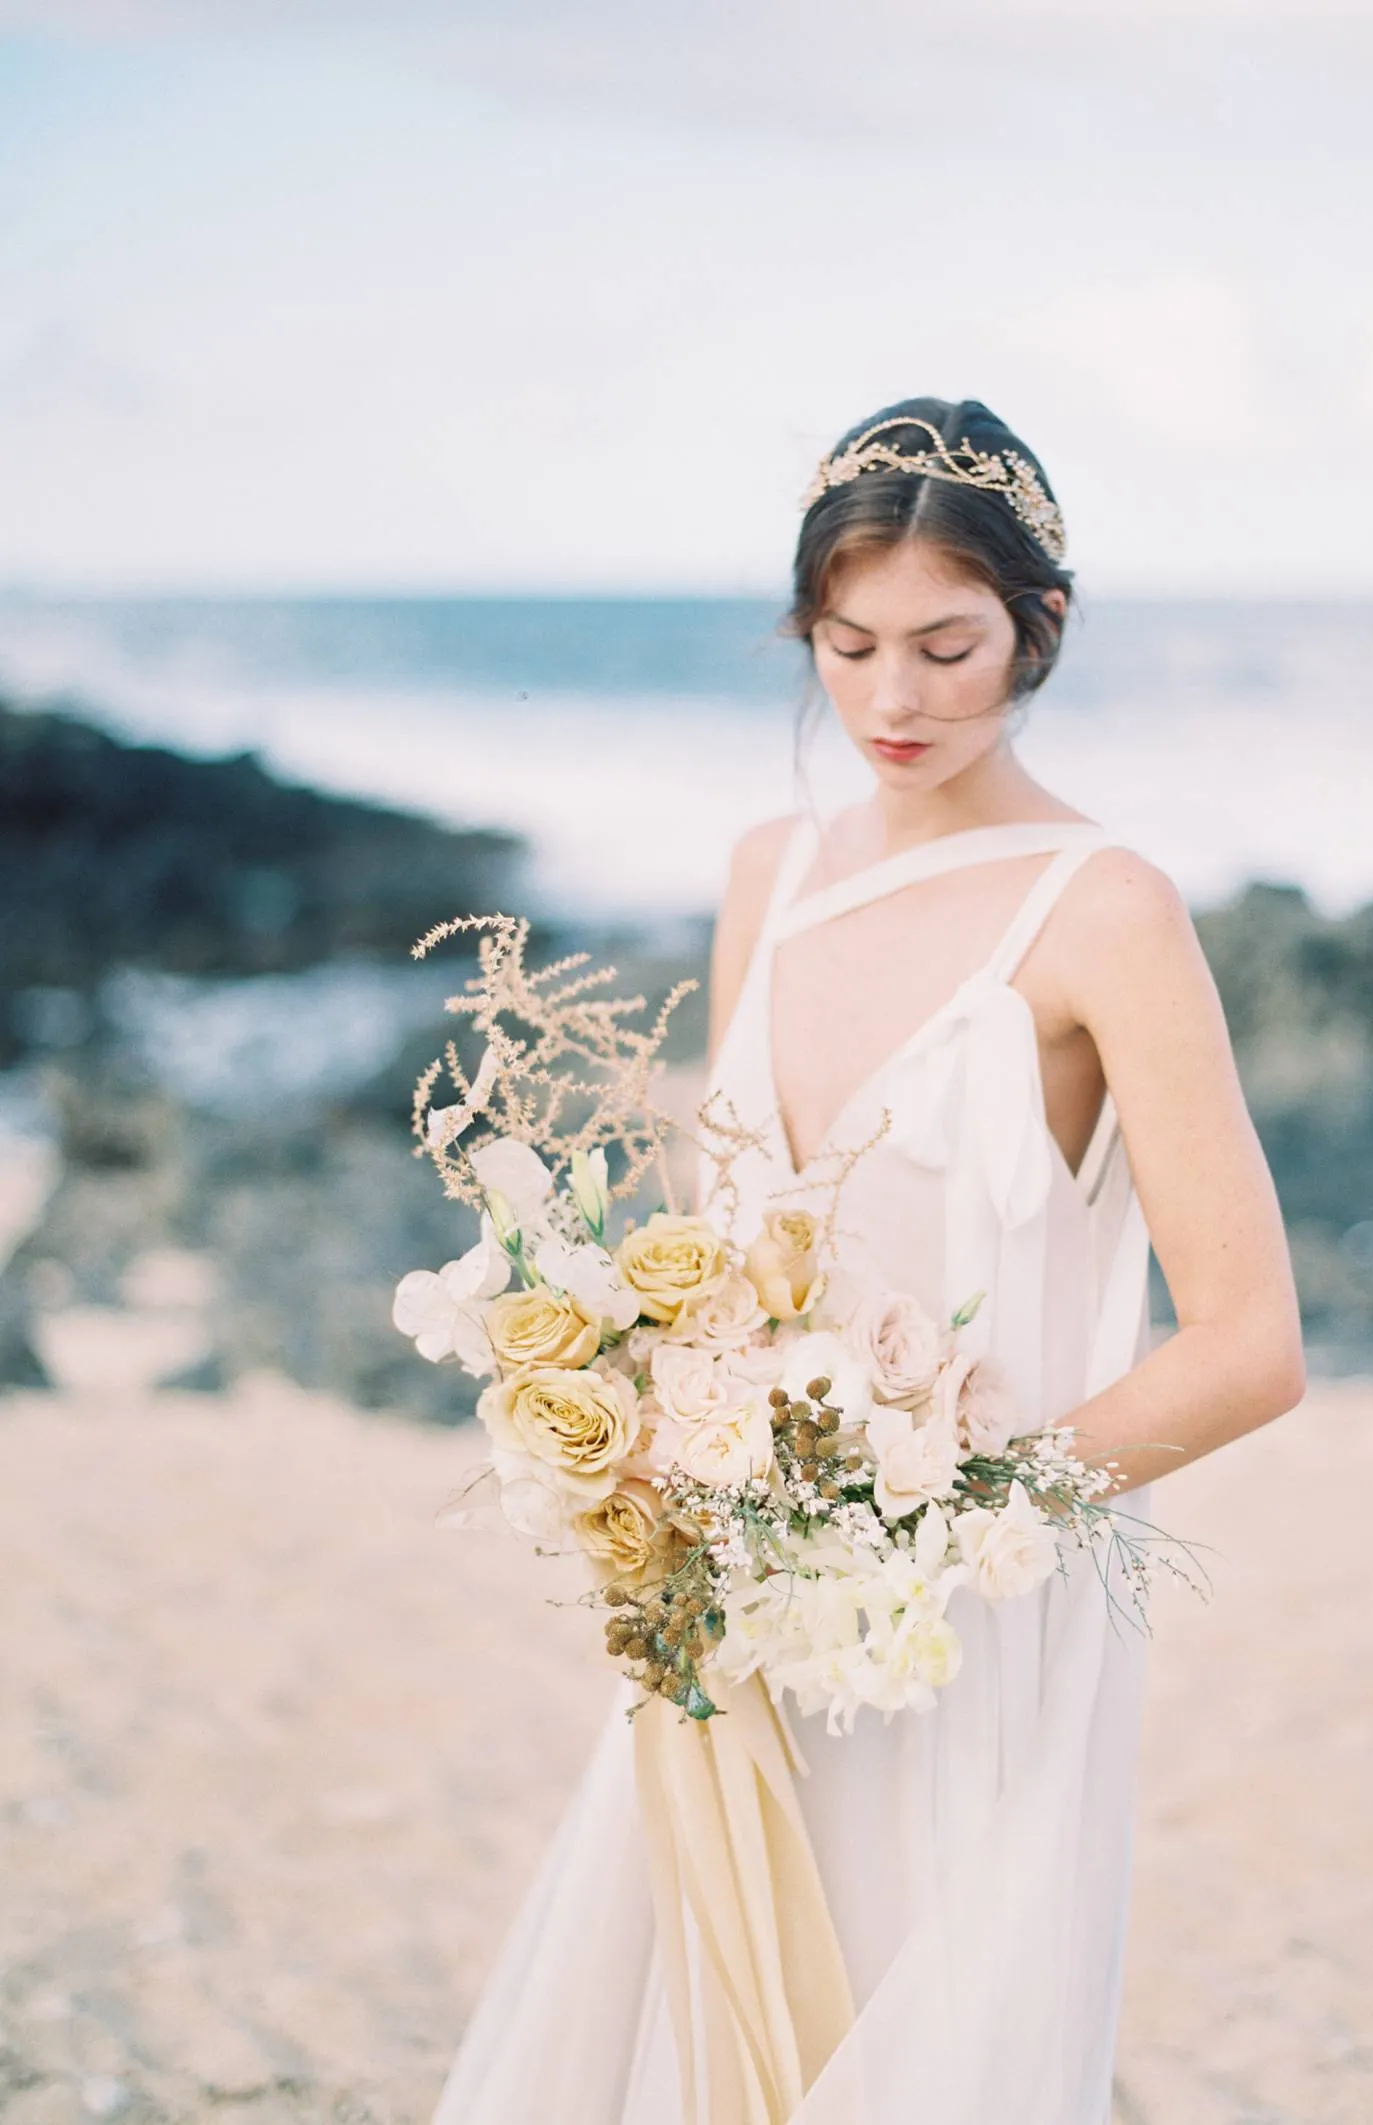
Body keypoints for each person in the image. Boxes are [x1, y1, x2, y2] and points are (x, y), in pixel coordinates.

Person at [430, 397, 1306, 2125]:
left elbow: (1252, 1343)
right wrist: (631, 1421)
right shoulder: (772, 870)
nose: (893, 701)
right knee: (699, 2017)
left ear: (1040, 630)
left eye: (946, 647)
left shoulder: (1105, 910)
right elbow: (716, 1240)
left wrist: (955, 1511)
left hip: (967, 1605)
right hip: (733, 1587)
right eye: (847, 646)